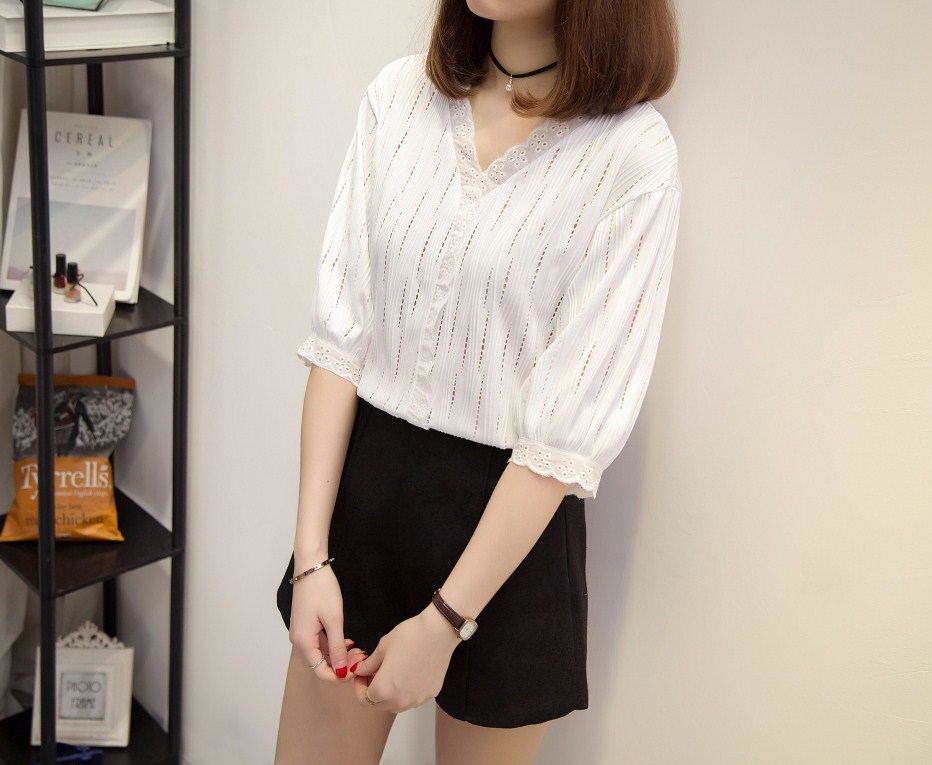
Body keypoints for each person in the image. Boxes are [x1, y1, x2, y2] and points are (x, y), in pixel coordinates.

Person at [274, 0, 681, 761]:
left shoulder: (631, 153)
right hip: (363, 507)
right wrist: (310, 559)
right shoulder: (400, 97)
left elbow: (569, 428)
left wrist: (445, 622)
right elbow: (339, 342)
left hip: (512, 539)